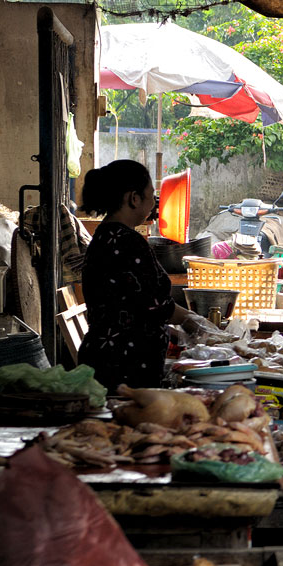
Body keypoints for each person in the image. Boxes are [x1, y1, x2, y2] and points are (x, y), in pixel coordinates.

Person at [77, 160, 211, 392]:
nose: (153, 202)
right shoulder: (128, 241)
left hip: (108, 354)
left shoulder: (105, 235)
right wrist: (193, 321)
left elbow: (129, 306)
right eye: (151, 195)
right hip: (123, 361)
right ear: (134, 198)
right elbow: (154, 305)